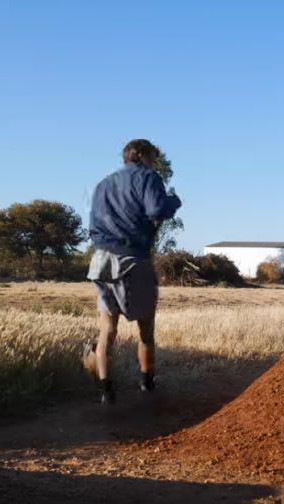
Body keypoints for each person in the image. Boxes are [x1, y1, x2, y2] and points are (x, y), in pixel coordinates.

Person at [83, 139, 182, 404]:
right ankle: (147, 385)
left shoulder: (104, 184)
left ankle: (106, 391)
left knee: (107, 330)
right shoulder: (149, 177)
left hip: (101, 260)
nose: (154, 162)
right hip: (132, 259)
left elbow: (92, 225)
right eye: (153, 157)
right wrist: (173, 202)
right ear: (142, 155)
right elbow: (156, 210)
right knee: (146, 329)